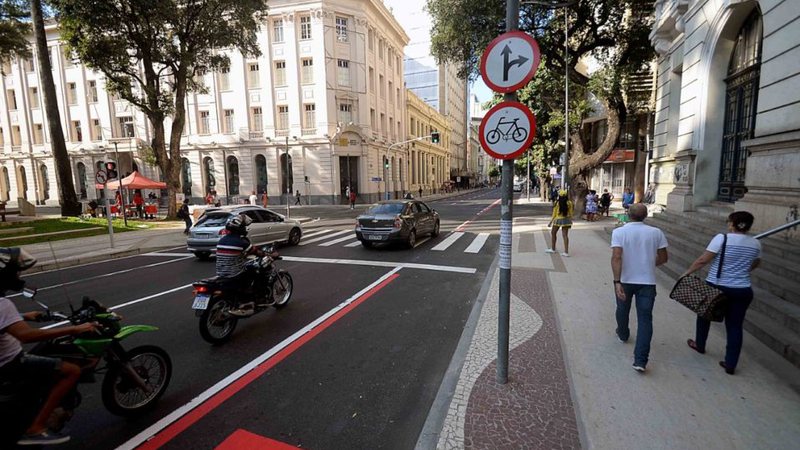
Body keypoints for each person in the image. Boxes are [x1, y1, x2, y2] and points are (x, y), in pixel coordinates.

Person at [0, 248, 98, 446]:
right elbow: (26, 336)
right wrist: (74, 329)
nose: (19, 275)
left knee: (47, 349)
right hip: (11, 362)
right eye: (17, 272)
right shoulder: (3, 305)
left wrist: (24, 316)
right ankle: (36, 428)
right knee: (72, 370)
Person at [682, 211, 761, 375]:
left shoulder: (722, 238)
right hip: (743, 289)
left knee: (704, 315)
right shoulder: (755, 243)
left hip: (717, 286)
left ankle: (700, 344)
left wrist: (687, 272)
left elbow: (704, 260)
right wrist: (741, 272)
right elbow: (756, 262)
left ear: (732, 224)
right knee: (734, 326)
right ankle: (731, 363)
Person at [610, 203, 669, 373]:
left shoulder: (619, 232)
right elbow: (664, 258)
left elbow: (616, 257)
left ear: (628, 214)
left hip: (625, 280)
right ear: (645, 216)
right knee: (645, 319)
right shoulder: (656, 233)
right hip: (647, 282)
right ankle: (640, 360)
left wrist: (616, 281)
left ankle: (623, 333)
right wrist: (648, 264)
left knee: (622, 308)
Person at [215, 215, 267, 316]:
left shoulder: (222, 240)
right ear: (240, 229)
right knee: (256, 272)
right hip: (234, 274)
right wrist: (267, 254)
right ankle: (248, 300)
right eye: (244, 227)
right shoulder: (241, 242)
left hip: (221, 273)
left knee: (247, 268)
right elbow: (257, 253)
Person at [545, 190, 573, 257]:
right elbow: (571, 213)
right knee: (565, 235)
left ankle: (553, 248)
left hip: (558, 219)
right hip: (567, 220)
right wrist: (570, 219)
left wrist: (550, 222)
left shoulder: (557, 203)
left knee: (553, 233)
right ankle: (566, 252)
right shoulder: (569, 203)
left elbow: (554, 214)